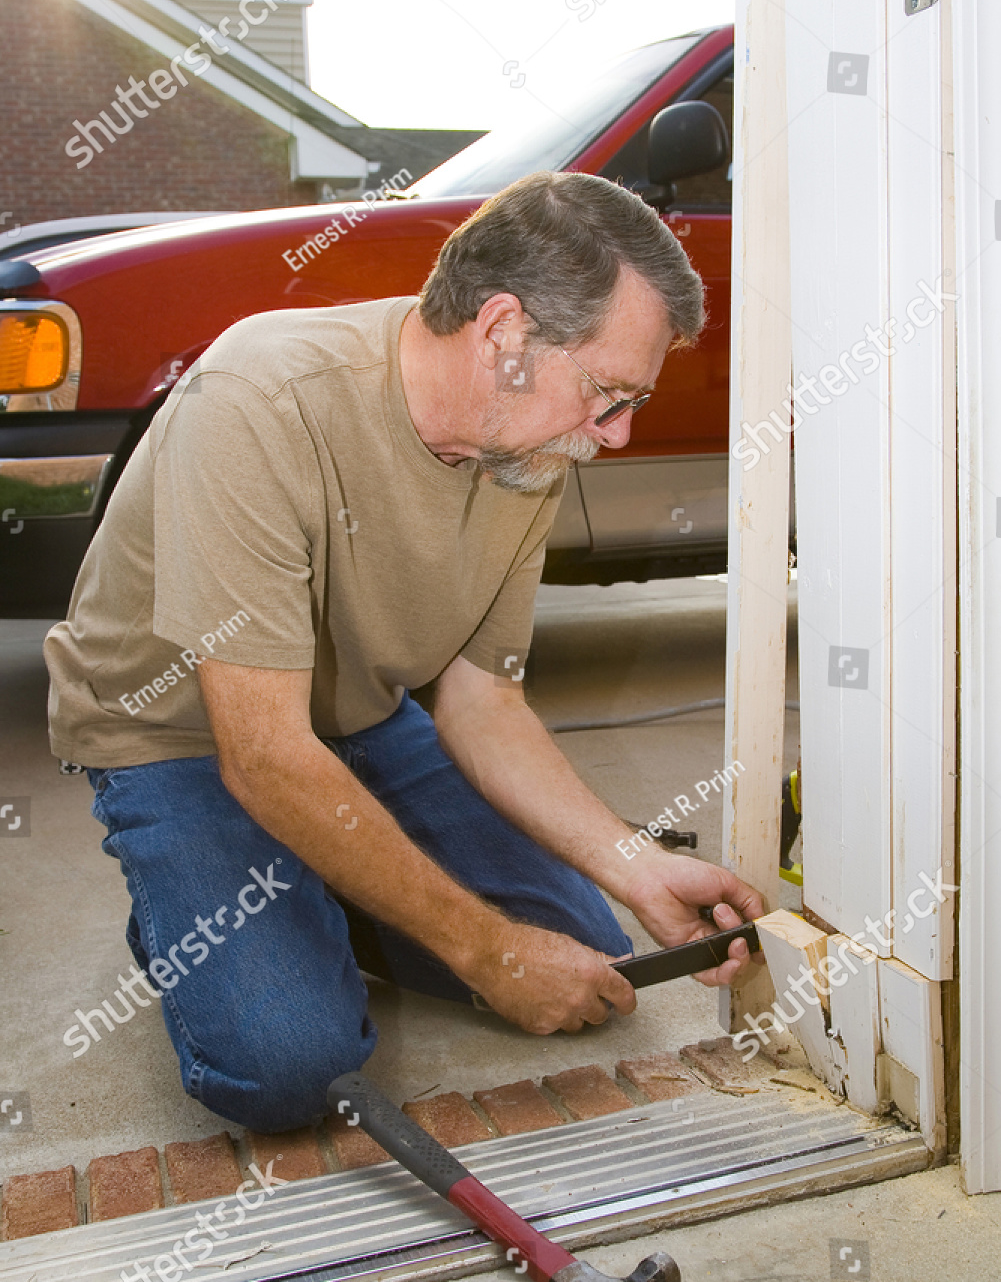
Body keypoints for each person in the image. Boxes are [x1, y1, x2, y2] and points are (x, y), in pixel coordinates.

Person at [45, 170, 762, 1132]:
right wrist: (485, 954)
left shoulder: (528, 443)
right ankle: (198, 918)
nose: (617, 434)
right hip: (182, 740)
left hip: (357, 720)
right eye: (607, 392)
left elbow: (482, 703)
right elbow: (262, 755)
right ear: (504, 333)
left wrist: (636, 869)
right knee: (289, 1066)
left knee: (587, 958)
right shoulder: (259, 398)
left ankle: (322, 892)